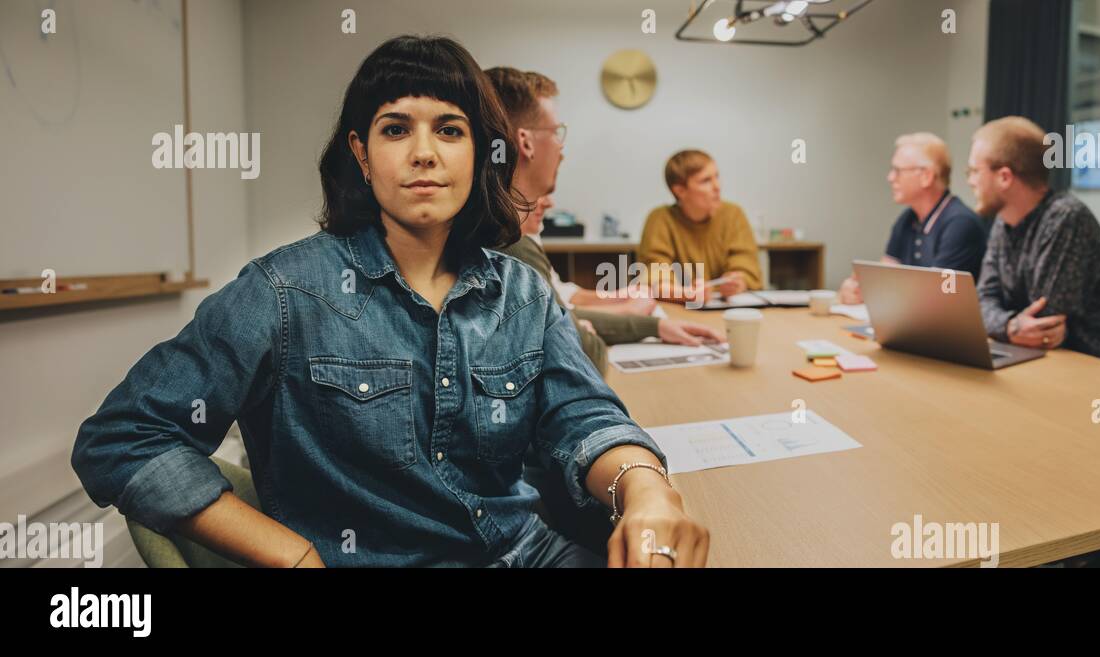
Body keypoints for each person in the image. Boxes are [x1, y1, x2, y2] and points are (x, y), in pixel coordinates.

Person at [71, 36, 709, 568]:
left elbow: (584, 416)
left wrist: (646, 489)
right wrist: (291, 555)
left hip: (526, 553)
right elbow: (122, 438)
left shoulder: (520, 291)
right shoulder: (283, 292)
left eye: (450, 130)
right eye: (396, 128)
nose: (424, 153)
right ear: (361, 153)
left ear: (482, 153)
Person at [484, 67, 723, 353]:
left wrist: (630, 319)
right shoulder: (511, 241)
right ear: (525, 142)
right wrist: (593, 323)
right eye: (556, 132)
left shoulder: (502, 229)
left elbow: (559, 306)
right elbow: (584, 351)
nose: (561, 147)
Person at [967, 116, 1100, 366]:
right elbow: (982, 302)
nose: (970, 181)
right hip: (1038, 359)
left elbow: (1043, 323)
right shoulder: (1004, 221)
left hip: (1094, 367)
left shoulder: (1066, 218)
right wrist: (1011, 325)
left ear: (1004, 177)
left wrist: (1004, 324)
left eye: (974, 171)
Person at [838, 132, 986, 304]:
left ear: (926, 176)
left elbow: (939, 296)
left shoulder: (961, 224)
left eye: (897, 170)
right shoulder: (907, 219)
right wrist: (858, 290)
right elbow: (884, 277)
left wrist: (879, 293)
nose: (890, 177)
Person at [638, 149, 762, 302]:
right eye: (706, 181)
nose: (717, 186)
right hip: (679, 309)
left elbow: (745, 262)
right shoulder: (660, 219)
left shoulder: (733, 214)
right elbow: (654, 273)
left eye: (717, 176)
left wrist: (739, 282)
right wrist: (685, 294)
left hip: (725, 307)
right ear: (680, 190)